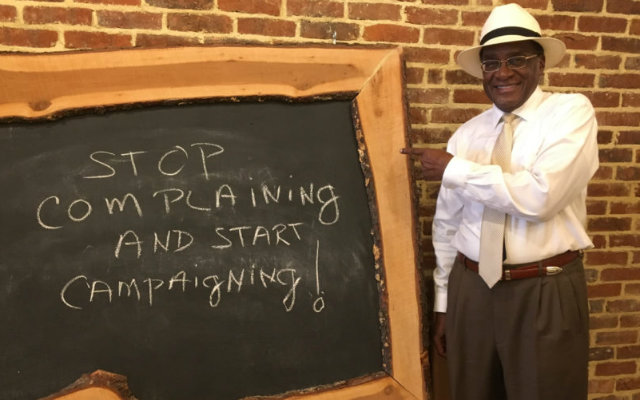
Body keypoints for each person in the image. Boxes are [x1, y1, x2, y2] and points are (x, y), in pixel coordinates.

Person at [401, 4, 599, 400]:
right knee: (471, 392)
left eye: (516, 59)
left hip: (544, 288)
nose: (502, 72)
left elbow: (541, 197)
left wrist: (454, 169)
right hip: (471, 288)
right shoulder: (467, 135)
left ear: (540, 64)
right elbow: (447, 226)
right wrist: (444, 302)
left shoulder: (570, 113)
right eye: (491, 63)